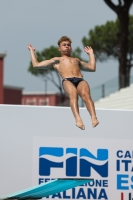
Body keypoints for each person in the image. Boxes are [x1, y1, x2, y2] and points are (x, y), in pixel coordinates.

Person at [28, 36, 99, 130]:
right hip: (67, 80)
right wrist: (32, 52)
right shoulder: (57, 60)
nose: (67, 46)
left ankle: (94, 117)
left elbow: (92, 68)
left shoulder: (76, 60)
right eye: (64, 45)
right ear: (59, 48)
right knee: (73, 94)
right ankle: (78, 119)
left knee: (86, 95)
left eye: (69, 45)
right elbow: (36, 65)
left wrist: (91, 54)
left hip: (79, 79)